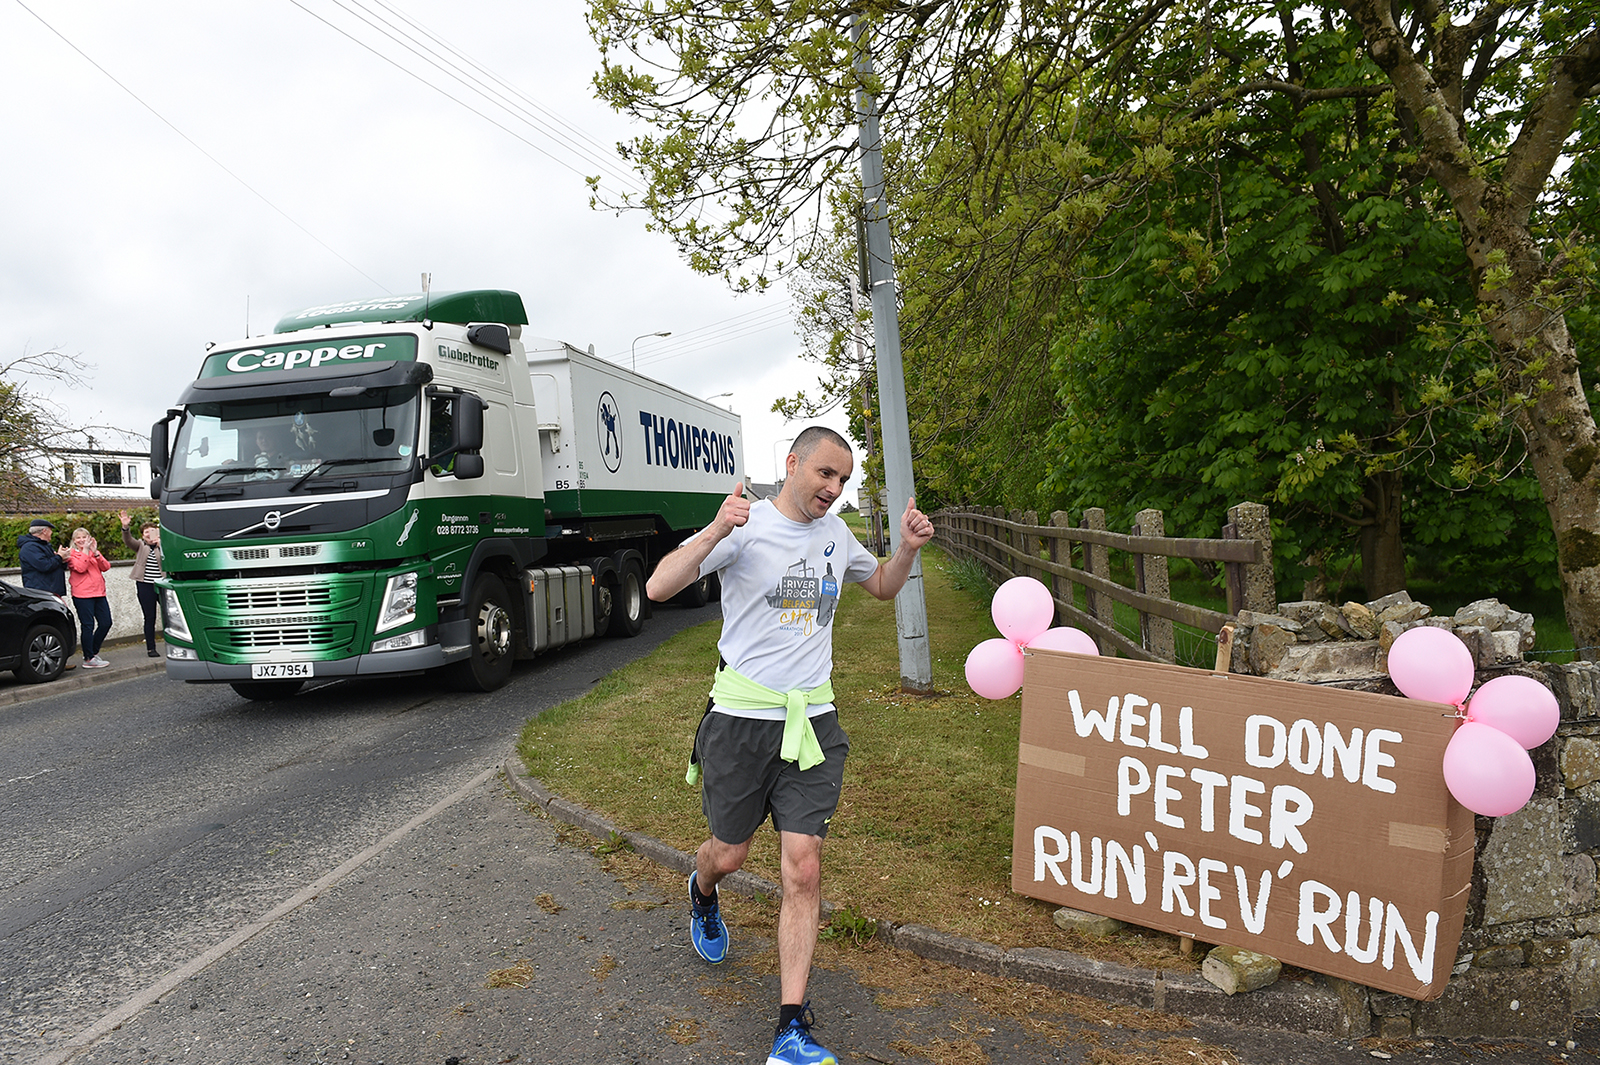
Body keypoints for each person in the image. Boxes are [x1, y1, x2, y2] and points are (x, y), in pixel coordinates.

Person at [645, 425, 934, 1065]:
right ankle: (702, 889)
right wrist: (718, 528)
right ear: (793, 464)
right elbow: (658, 587)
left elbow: (882, 585)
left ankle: (790, 1029)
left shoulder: (836, 536)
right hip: (741, 722)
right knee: (731, 853)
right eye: (824, 474)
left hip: (813, 723)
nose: (833, 489)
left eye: (842, 480)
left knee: (803, 865)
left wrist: (908, 550)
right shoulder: (745, 527)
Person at [17, 518, 76, 669]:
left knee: (56, 626)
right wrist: (59, 557)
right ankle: (54, 662)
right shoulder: (30, 548)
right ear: (44, 531)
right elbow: (44, 566)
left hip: (51, 591)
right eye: (50, 530)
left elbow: (53, 565)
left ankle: (59, 661)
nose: (51, 534)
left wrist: (61, 559)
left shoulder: (42, 546)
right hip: (41, 592)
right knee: (46, 627)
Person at [66, 527, 113, 668]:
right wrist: (86, 551)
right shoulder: (71, 554)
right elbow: (80, 568)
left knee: (106, 622)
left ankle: (93, 651)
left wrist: (96, 553)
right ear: (74, 541)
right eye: (78, 538)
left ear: (89, 538)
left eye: (84, 537)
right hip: (82, 595)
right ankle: (88, 658)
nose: (81, 540)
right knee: (88, 625)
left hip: (99, 593)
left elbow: (106, 567)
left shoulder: (93, 553)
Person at [120, 510, 163, 658]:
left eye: (152, 531)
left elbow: (169, 559)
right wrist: (125, 527)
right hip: (145, 585)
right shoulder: (140, 546)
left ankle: (177, 643)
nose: (149, 534)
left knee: (170, 615)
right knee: (149, 616)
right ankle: (151, 648)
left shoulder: (163, 545)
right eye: (146, 532)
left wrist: (160, 545)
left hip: (162, 584)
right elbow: (128, 540)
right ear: (142, 535)